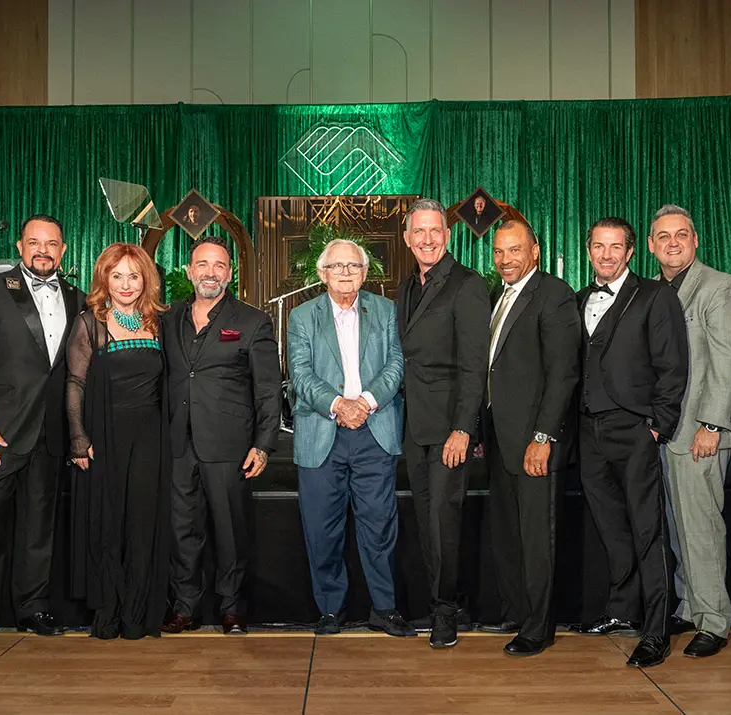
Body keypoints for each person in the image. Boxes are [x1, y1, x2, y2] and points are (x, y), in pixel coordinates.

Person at [0, 215, 80, 654]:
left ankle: (32, 607)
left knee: (39, 526)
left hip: (50, 433)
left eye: (52, 243)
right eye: (34, 242)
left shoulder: (78, 299)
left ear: (63, 249)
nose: (43, 250)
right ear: (20, 247)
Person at [572, 217, 689, 669]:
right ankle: (622, 611)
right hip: (588, 430)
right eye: (598, 246)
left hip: (634, 428)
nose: (606, 254)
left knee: (647, 529)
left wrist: (658, 424)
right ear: (588, 251)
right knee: (611, 527)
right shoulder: (580, 299)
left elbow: (673, 366)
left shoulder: (655, 296)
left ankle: (657, 630)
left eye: (615, 247)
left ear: (630, 252)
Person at [287, 238, 410, 637]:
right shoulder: (302, 316)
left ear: (364, 273)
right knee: (322, 528)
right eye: (337, 266)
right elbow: (301, 375)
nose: (345, 273)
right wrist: (340, 405)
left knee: (379, 527)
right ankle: (330, 609)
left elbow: (396, 363)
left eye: (353, 266)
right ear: (322, 274)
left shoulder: (387, 311)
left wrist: (367, 402)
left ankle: (385, 608)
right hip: (323, 431)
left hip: (375, 432)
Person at [162, 237, 281, 636]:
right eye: (202, 264)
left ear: (230, 274)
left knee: (230, 531)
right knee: (182, 530)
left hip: (229, 445)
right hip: (177, 443)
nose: (210, 272)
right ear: (189, 271)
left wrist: (263, 444)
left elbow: (268, 388)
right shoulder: (168, 317)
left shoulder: (252, 321)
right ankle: (185, 608)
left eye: (219, 266)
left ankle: (231, 608)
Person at [645, 205, 731, 659]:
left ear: (696, 240)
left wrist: (712, 425)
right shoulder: (655, 291)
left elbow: (729, 361)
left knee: (702, 526)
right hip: (667, 432)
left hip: (700, 431)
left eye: (681, 235)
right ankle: (690, 604)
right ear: (651, 246)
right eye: (663, 237)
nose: (672, 243)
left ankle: (715, 620)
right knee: (678, 525)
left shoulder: (719, 287)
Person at [481, 220, 580, 657]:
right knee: (511, 532)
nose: (505, 259)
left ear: (535, 251)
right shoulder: (497, 296)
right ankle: (519, 610)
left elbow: (564, 373)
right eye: (499, 252)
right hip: (502, 437)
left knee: (538, 534)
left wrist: (544, 435)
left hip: (534, 440)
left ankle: (539, 627)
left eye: (515, 250)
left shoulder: (553, 294)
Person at [394, 199, 490, 648]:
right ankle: (439, 603)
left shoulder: (467, 285)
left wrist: (463, 428)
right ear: (407, 238)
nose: (428, 239)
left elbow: (475, 366)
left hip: (449, 429)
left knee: (443, 521)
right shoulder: (406, 286)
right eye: (420, 232)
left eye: (436, 231)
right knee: (427, 522)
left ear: (447, 236)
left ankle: (446, 611)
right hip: (415, 426)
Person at [67, 242, 172, 640]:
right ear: (104, 280)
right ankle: (108, 614)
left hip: (151, 441)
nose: (126, 284)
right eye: (117, 276)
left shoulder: (158, 322)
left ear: (145, 279)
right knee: (109, 526)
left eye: (134, 275)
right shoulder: (90, 322)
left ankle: (137, 615)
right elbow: (74, 383)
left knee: (143, 526)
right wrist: (79, 438)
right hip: (106, 438)